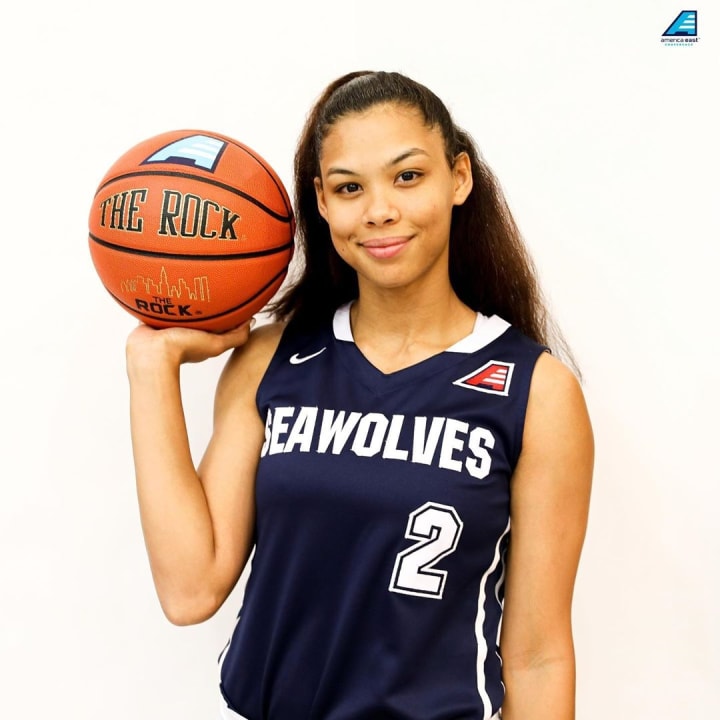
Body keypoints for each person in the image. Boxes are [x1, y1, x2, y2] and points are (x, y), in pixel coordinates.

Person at [126, 71, 593, 720]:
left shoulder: (535, 390)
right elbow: (190, 589)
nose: (379, 210)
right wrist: (150, 367)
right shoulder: (271, 359)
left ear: (459, 178)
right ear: (321, 201)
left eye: (408, 176)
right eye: (350, 187)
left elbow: (539, 657)